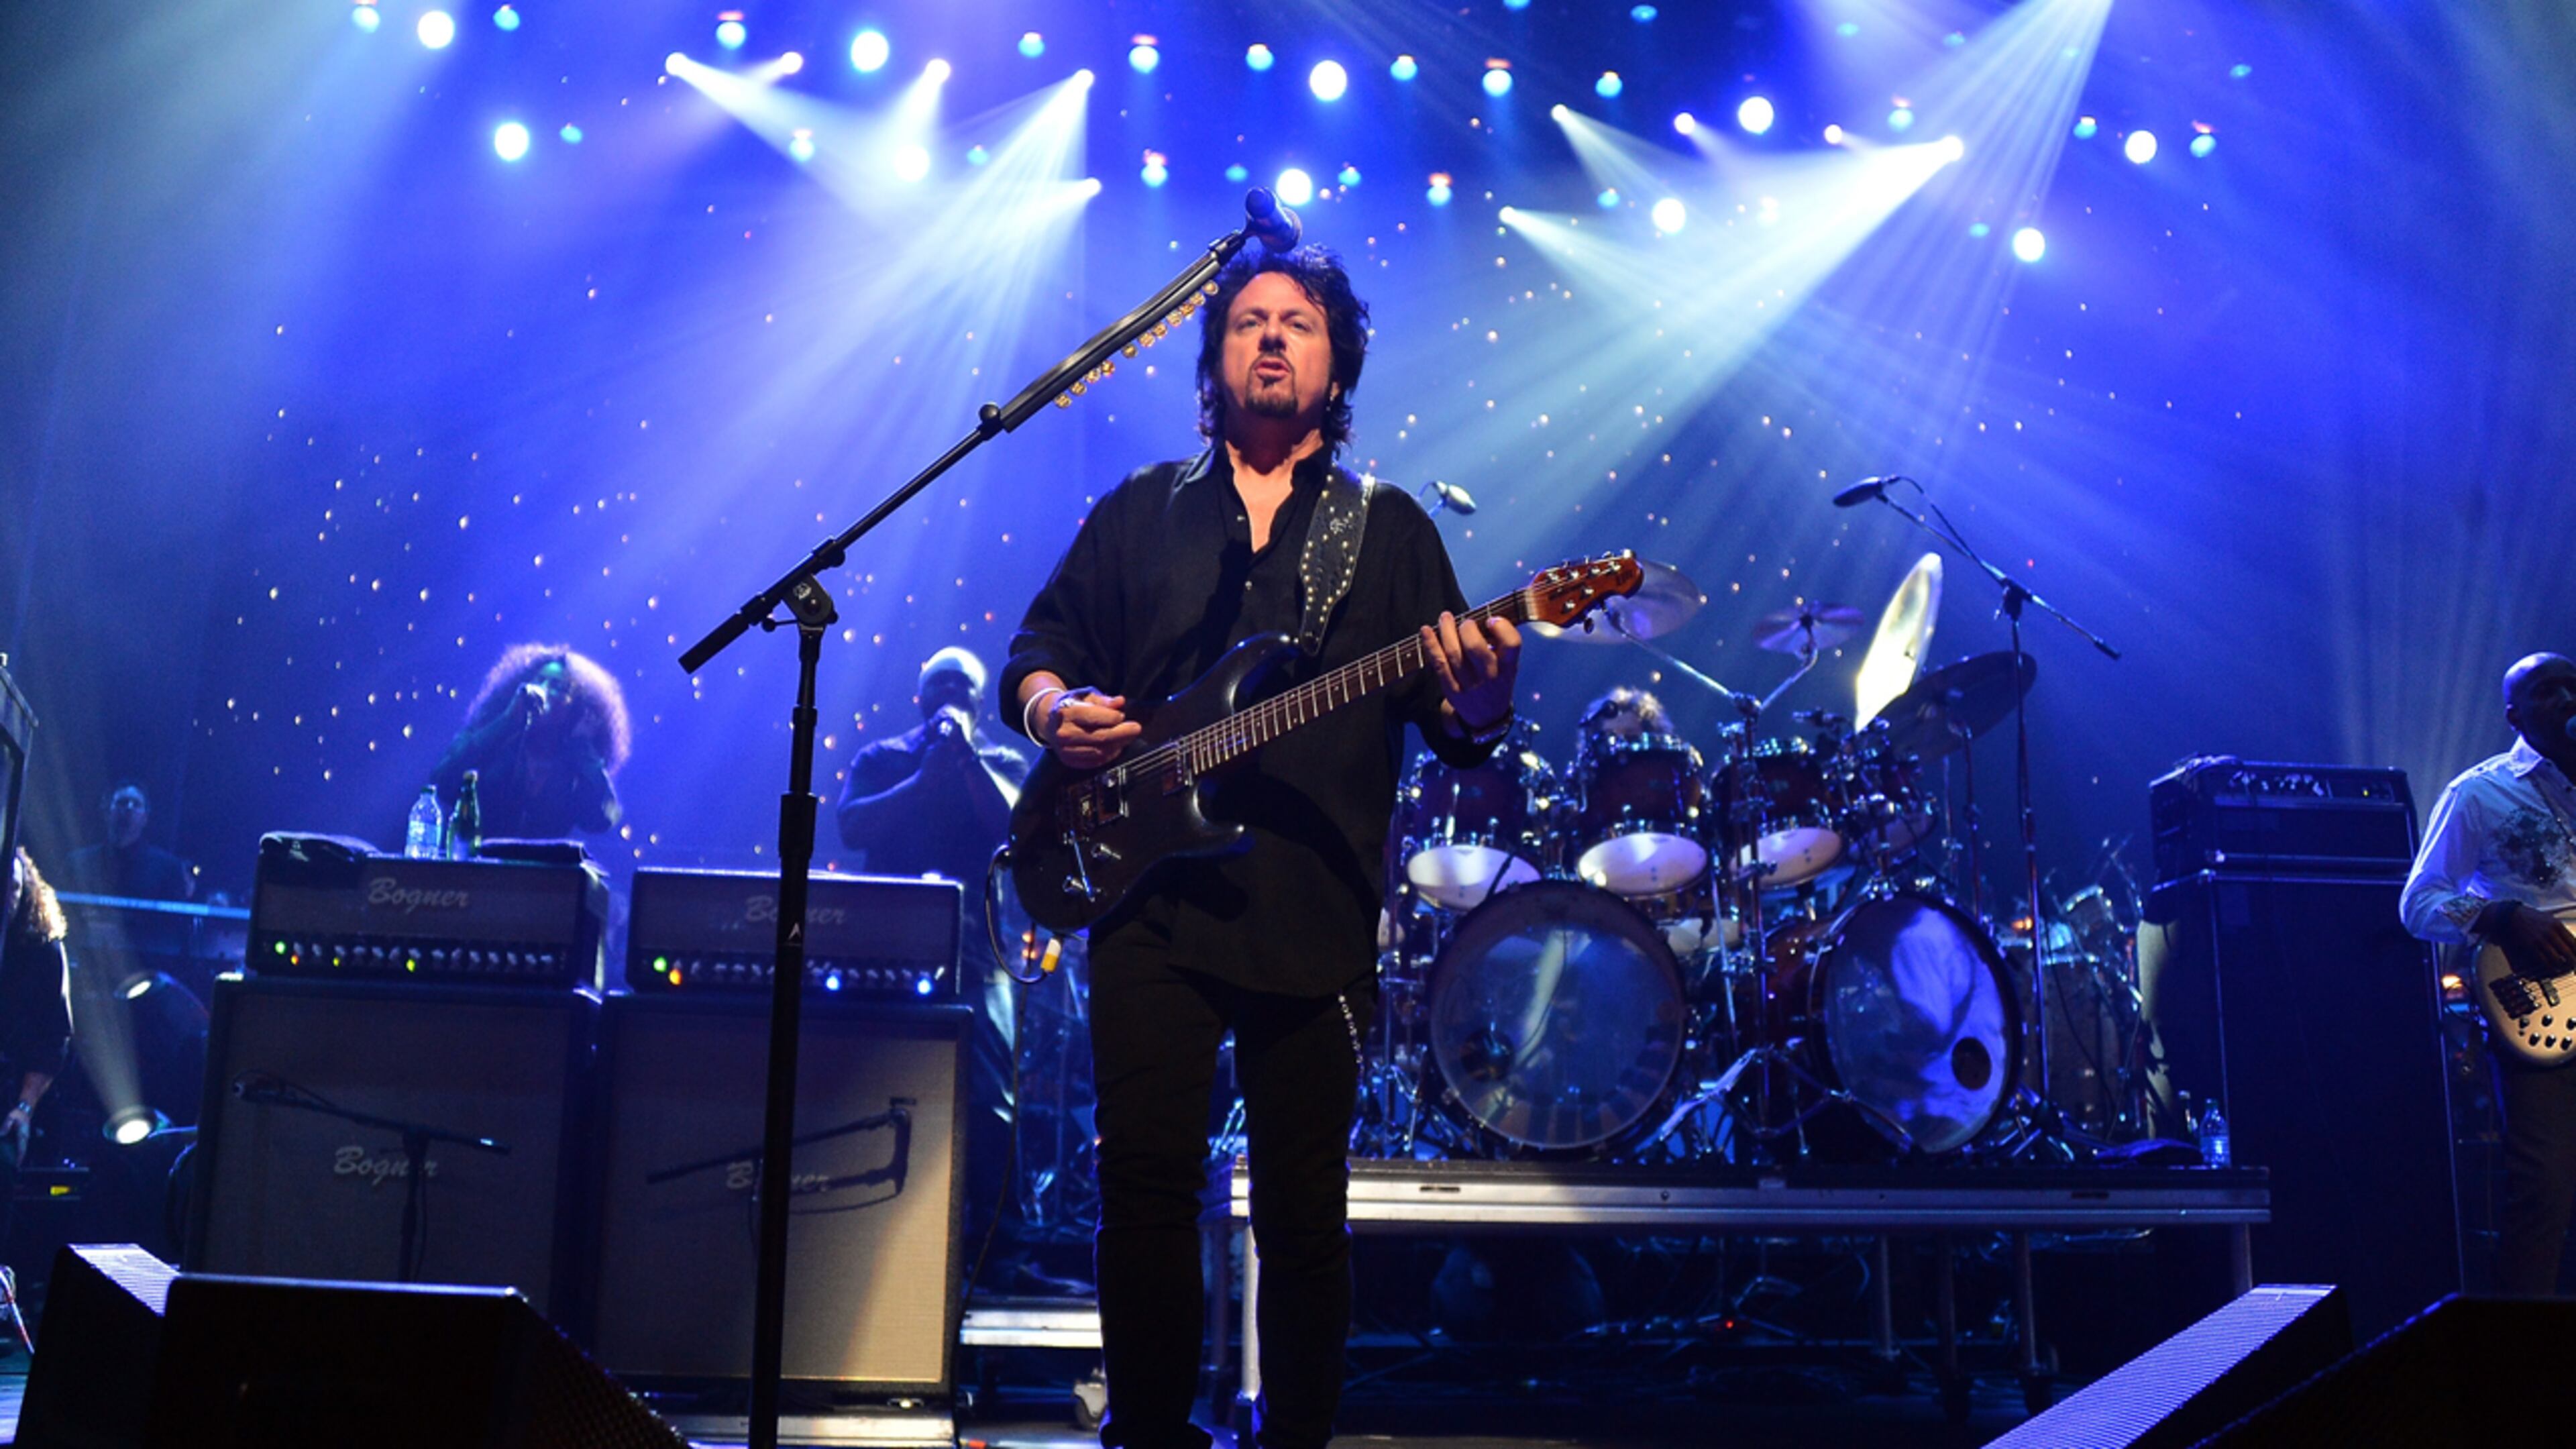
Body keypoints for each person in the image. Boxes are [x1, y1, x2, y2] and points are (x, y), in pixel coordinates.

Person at [1002, 245, 1521, 1449]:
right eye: (1247, 322)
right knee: (1143, 1189)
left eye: (1298, 322)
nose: (1272, 338)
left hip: (1313, 909)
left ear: (1338, 362)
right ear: (1214, 355)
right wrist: (1052, 714)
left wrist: (1487, 695)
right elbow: (1038, 648)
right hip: (1147, 896)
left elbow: (1460, 731)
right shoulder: (1141, 510)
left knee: (1302, 1211)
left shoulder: (1388, 532)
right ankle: (1146, 1432)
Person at [835, 646, 1032, 1287]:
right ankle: (869, 1222)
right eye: (938, 683)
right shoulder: (883, 759)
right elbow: (852, 826)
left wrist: (966, 761)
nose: (950, 693)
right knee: (874, 1078)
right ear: (920, 696)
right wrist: (923, 780)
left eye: (963, 686)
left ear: (980, 702)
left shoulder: (1000, 762)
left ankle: (1000, 1248)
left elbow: (1017, 829)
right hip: (886, 949)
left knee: (992, 1095)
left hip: (981, 953)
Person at [2402, 651, 2576, 1295]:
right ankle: (2520, 1369)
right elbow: (2417, 901)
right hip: (2541, 1006)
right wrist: (2501, 916)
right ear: (2514, 713)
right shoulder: (2479, 792)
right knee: (2545, 1190)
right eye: (2546, 691)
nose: (2564, 699)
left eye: (2573, 687)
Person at [431, 644, 630, 841]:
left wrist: (584, 748)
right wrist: (508, 721)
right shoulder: (493, 735)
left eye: (559, 687)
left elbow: (600, 820)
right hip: (482, 866)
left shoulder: (576, 760)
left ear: (577, 706)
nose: (544, 690)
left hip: (544, 871)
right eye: (540, 680)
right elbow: (444, 782)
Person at [0, 849, 73, 1262]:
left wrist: (24, 1107)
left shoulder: (43, 950)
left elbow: (54, 1038)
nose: (6, 899)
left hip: (9, 1094)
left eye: (12, 889)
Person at [63, 780, 193, 902]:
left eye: (136, 804)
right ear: (107, 811)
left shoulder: (168, 868)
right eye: (122, 803)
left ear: (145, 818)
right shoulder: (78, 864)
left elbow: (175, 922)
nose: (129, 808)